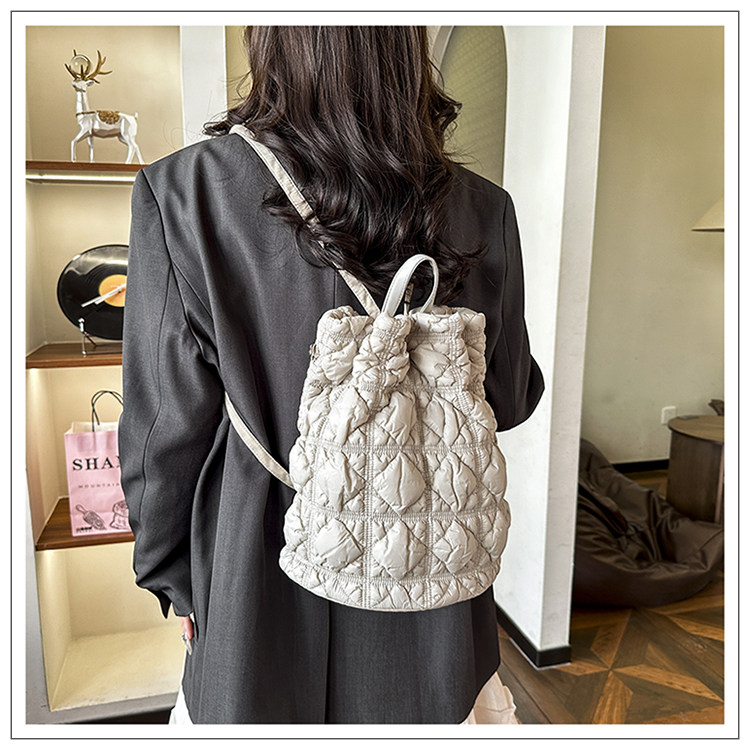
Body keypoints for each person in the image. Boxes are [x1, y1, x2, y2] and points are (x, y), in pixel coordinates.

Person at [119, 25, 544, 724]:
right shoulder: (484, 207)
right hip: (430, 573)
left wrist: (172, 576)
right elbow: (511, 396)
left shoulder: (185, 193)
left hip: (258, 582)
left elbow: (162, 432)